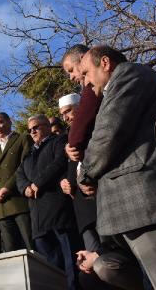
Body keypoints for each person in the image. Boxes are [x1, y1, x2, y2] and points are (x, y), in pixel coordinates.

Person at [78, 45, 156, 289]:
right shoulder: (121, 83)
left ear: (105, 63)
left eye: (86, 73)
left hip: (149, 208)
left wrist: (84, 174)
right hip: (138, 215)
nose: (84, 83)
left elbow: (107, 135)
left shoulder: (128, 75)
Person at [17, 115, 79, 290]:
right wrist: (25, 189)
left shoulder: (59, 141)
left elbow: (59, 163)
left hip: (59, 212)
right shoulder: (28, 156)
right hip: (38, 220)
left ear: (47, 126)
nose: (33, 131)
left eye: (36, 127)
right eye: (30, 130)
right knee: (51, 269)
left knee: (70, 264)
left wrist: (38, 183)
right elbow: (19, 176)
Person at [58, 92, 100, 254]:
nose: (66, 118)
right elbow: (71, 167)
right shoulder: (69, 138)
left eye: (68, 111)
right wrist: (65, 181)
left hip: (101, 202)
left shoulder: (96, 126)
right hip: (83, 210)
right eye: (62, 114)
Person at [0, 112, 34, 252]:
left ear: (9, 121)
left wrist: (7, 188)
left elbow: (24, 165)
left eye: (0, 122)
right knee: (10, 250)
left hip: (20, 202)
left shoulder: (23, 138)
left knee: (31, 245)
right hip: (1, 207)